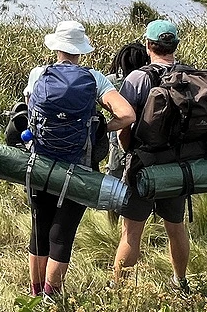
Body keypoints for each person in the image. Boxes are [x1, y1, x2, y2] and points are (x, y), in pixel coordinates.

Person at [22, 20, 136, 297]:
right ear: (81, 50)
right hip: (79, 167)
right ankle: (52, 295)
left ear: (56, 47)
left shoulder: (38, 74)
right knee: (63, 234)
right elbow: (127, 115)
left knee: (39, 228)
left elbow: (30, 111)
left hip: (40, 164)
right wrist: (100, 128)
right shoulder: (95, 79)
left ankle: (35, 293)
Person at [112, 20, 192, 293]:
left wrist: (129, 152)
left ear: (148, 45)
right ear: (175, 45)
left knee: (131, 231)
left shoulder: (137, 78)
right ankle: (180, 282)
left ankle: (118, 290)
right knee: (176, 227)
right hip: (179, 165)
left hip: (143, 164)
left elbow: (124, 125)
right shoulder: (189, 75)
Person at [103, 42, 150, 224]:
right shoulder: (148, 78)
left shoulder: (112, 80)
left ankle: (112, 222)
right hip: (143, 138)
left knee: (114, 180)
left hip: (117, 137)